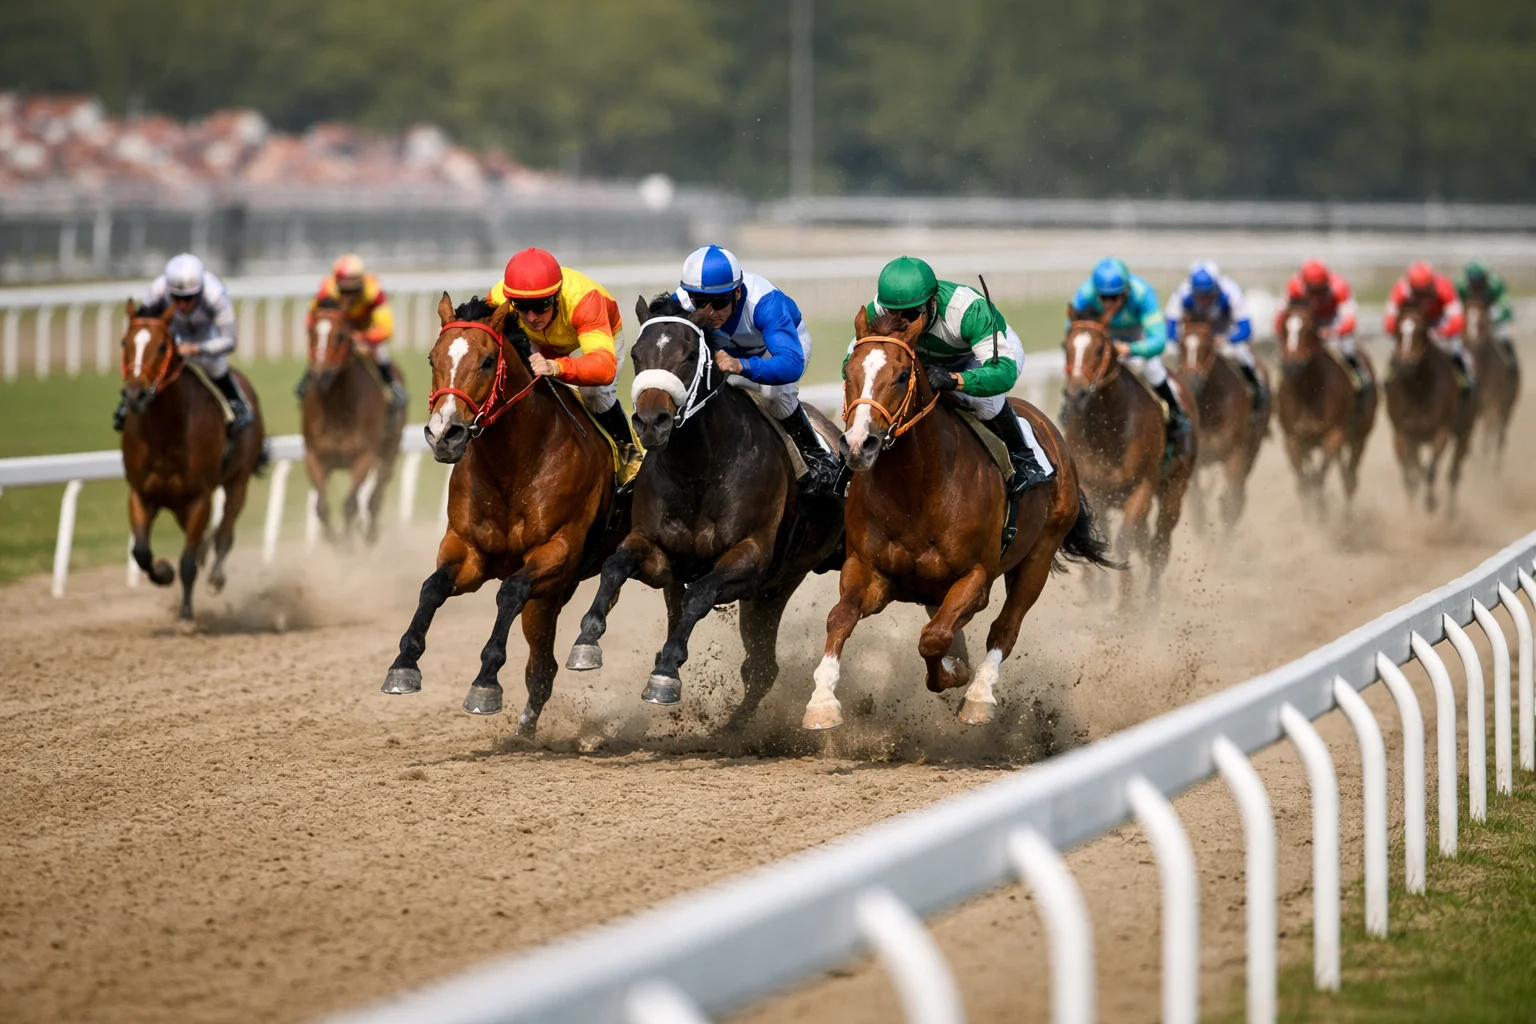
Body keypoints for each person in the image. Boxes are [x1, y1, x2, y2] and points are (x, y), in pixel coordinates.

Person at [863, 255, 1051, 497]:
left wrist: (955, 380)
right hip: (928, 360)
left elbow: (1003, 374)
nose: (902, 323)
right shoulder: (876, 312)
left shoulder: (965, 309)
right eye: (893, 313)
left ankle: (1024, 456)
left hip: (980, 355)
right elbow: (856, 362)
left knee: (986, 403)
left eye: (910, 314)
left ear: (932, 302)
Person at [672, 244, 843, 497]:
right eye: (700, 303)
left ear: (738, 293)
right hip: (727, 351)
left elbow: (790, 363)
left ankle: (815, 457)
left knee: (774, 394)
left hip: (778, 349)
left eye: (719, 302)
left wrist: (742, 365)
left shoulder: (765, 302)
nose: (710, 312)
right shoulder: (681, 302)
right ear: (690, 297)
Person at [485, 247, 641, 477]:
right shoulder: (498, 299)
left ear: (557, 296)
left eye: (541, 305)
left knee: (594, 395)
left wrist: (557, 366)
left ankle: (630, 456)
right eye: (521, 306)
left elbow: (604, 368)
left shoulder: (585, 300)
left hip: (596, 330)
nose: (531, 317)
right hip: (537, 340)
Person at [114, 253, 251, 434]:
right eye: (176, 298)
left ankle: (237, 403)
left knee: (215, 366)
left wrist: (196, 348)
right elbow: (144, 323)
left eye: (188, 298)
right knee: (147, 365)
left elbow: (230, 341)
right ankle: (126, 404)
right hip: (172, 335)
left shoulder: (216, 294)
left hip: (205, 337)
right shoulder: (158, 289)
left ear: (200, 290)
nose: (181, 305)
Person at [1070, 257, 1190, 451]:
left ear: (1126, 292)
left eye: (1115, 297)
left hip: (1136, 337)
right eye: (1104, 297)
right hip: (1101, 338)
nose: (1109, 303)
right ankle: (1069, 411)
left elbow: (1159, 340)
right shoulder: (1085, 293)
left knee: (1153, 369)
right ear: (1096, 293)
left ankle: (1175, 413)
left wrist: (1130, 349)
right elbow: (1073, 332)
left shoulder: (1143, 294)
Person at [298, 253, 408, 409]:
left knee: (380, 353)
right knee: (322, 354)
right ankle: (305, 384)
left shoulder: (374, 292)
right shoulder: (326, 290)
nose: (347, 296)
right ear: (336, 284)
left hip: (364, 331)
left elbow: (386, 328)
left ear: (361, 284)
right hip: (338, 331)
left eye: (353, 290)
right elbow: (311, 319)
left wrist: (362, 337)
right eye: (343, 291)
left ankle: (392, 386)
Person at [1164, 259, 1267, 406]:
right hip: (1193, 336)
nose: (1204, 300)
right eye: (1199, 296)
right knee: (1168, 356)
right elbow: (1170, 327)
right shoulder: (1182, 292)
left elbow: (1246, 329)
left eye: (1208, 295)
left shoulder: (1231, 291)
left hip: (1223, 333)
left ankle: (1256, 390)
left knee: (1242, 354)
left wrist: (1228, 339)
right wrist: (1181, 340)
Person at [1384, 260, 1475, 389]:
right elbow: (1389, 320)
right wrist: (1399, 333)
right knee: (1399, 349)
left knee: (1455, 347)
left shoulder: (1444, 286)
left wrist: (1441, 332)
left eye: (1425, 293)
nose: (1422, 299)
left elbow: (1457, 319)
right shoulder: (1400, 289)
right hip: (1414, 324)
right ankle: (1389, 377)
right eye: (1418, 293)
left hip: (1439, 321)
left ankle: (1466, 375)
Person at [1276, 258, 1369, 385]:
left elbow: (1350, 321)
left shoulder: (1340, 287)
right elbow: (1280, 317)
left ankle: (1359, 377)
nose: (1315, 296)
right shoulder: (1294, 286)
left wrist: (1332, 332)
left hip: (1331, 321)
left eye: (1319, 290)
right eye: (1312, 291)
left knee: (1347, 347)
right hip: (1306, 324)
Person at [1458, 257, 1515, 353]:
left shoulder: (1495, 284)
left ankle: (1512, 362)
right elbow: (1456, 306)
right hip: (1470, 314)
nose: (1476, 285)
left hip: (1490, 312)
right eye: (1473, 281)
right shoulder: (1461, 285)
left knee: (1504, 335)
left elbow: (1507, 309)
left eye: (1479, 281)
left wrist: (1492, 319)